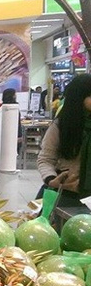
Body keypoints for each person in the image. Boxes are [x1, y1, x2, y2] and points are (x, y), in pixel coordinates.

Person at [37, 74, 91, 205]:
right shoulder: (62, 125)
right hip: (66, 195)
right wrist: (52, 179)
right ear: (79, 97)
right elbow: (45, 158)